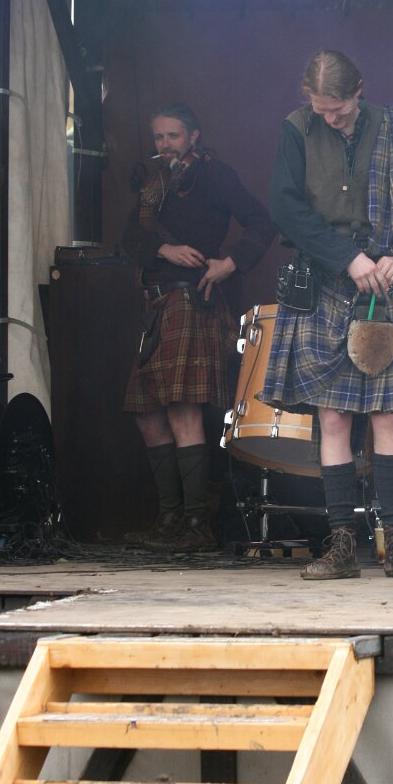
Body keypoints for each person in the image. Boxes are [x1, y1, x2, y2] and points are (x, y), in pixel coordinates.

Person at [262, 49, 393, 580]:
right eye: (320, 109)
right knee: (334, 418)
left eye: (338, 109)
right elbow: (285, 207)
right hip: (324, 283)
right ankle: (341, 543)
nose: (329, 118)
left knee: (389, 416)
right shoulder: (296, 129)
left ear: (359, 90)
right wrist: (345, 257)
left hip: (384, 286)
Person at [123, 102, 276, 550]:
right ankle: (169, 520)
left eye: (173, 135)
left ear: (193, 136)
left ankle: (196, 526)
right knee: (147, 415)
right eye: (158, 137)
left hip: (190, 303)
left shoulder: (214, 175)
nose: (165, 144)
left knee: (182, 410)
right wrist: (163, 250)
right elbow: (129, 238)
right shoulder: (154, 184)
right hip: (156, 307)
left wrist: (231, 262)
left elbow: (262, 222)